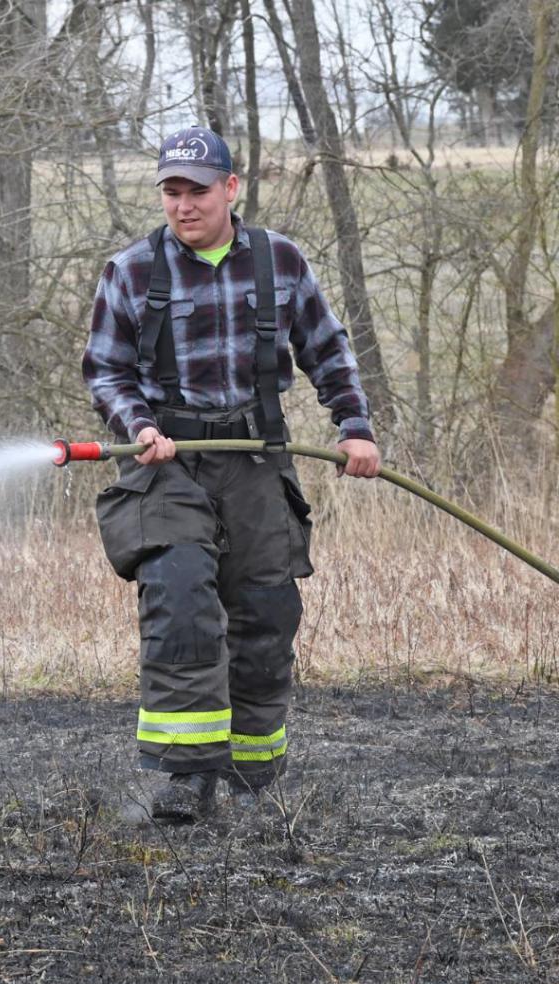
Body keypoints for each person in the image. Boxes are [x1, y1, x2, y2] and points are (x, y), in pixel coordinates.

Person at [82, 125, 381, 821]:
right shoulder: (130, 271)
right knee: (181, 602)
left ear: (230, 189)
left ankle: (251, 771)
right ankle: (185, 777)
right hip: (168, 466)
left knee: (265, 613)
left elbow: (328, 350)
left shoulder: (279, 261)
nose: (183, 206)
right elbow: (105, 371)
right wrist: (139, 426)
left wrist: (355, 427)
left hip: (254, 460)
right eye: (171, 192)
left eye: (197, 191)